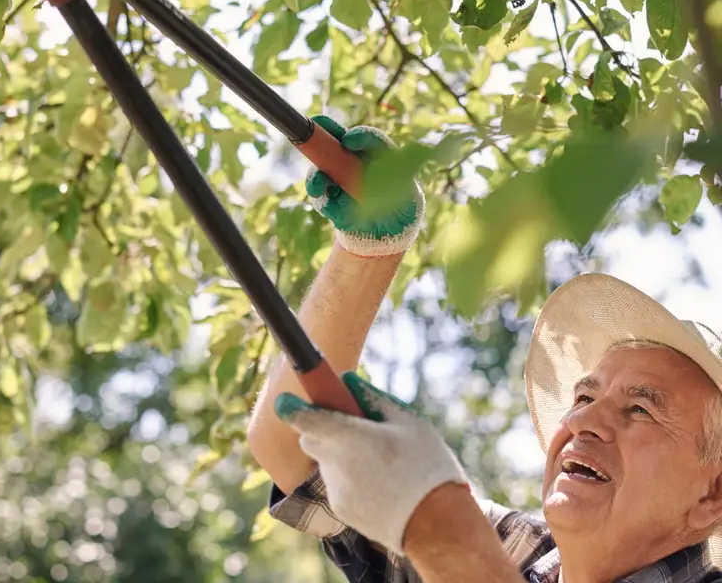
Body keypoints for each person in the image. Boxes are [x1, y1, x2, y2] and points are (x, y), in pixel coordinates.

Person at [246, 117, 722, 583]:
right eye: (584, 397)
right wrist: (368, 252)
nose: (582, 421)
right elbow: (295, 452)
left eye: (640, 409)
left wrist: (439, 528)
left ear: (714, 493)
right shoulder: (516, 550)